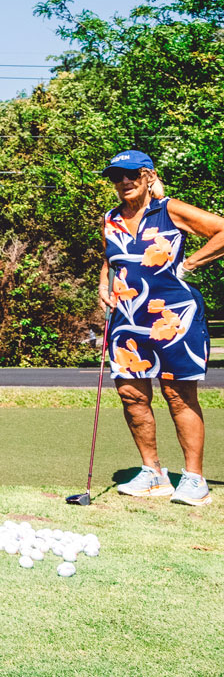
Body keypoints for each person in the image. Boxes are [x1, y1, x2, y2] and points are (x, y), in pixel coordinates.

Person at [96, 150, 223, 506]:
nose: (123, 182)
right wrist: (104, 283)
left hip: (174, 318)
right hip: (127, 321)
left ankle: (194, 479)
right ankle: (153, 473)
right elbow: (110, 256)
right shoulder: (110, 218)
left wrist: (191, 264)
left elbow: (222, 230)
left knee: (178, 395)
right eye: (116, 176)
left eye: (131, 174)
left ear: (149, 176)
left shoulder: (170, 209)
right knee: (132, 396)